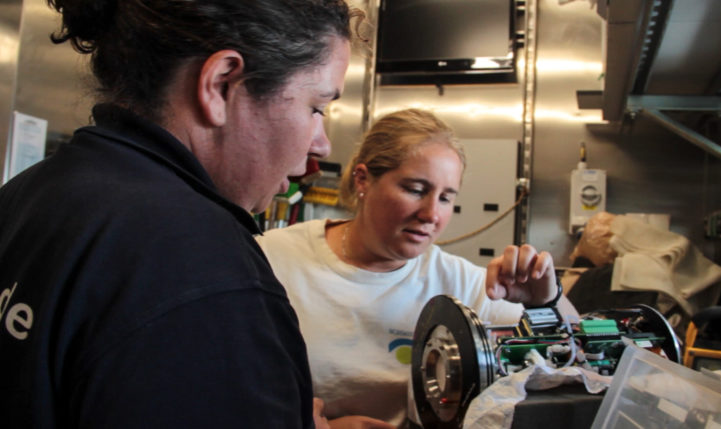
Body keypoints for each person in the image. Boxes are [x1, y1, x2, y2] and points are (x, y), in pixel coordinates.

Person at [0, 1, 360, 428]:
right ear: (222, 84)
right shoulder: (202, 268)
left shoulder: (30, 190)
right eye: (317, 108)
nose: (321, 145)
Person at [256, 109, 578, 428]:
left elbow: (577, 357)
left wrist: (547, 302)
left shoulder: (458, 283)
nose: (431, 214)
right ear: (363, 179)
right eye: (415, 190)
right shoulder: (273, 258)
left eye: (446, 198)